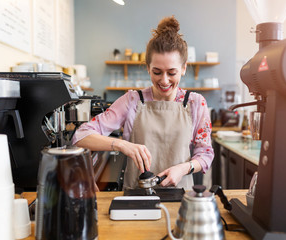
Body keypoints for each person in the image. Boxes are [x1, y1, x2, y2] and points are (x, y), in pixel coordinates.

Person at [73, 16, 214, 190]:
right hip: (136, 199)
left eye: (172, 72)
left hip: (180, 197)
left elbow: (205, 154)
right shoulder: (132, 100)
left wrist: (184, 168)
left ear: (184, 68)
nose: (164, 80)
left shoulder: (195, 103)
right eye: (157, 72)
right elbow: (80, 136)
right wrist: (122, 145)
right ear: (147, 67)